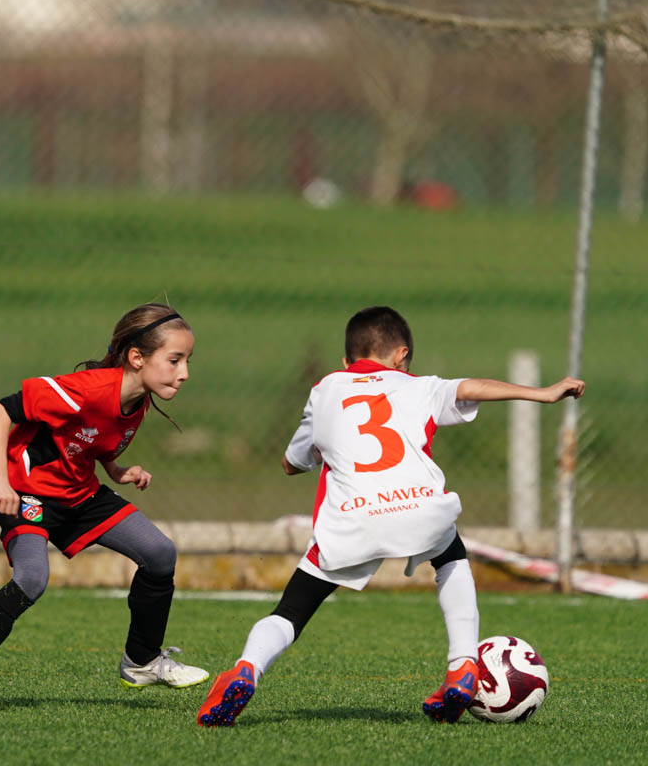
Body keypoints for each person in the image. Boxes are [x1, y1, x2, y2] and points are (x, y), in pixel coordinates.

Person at [197, 305, 584, 727]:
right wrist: (543, 392)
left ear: (347, 361)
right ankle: (461, 666)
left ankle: (246, 669)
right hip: (420, 510)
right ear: (401, 356)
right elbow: (474, 386)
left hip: (352, 521)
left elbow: (291, 462)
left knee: (289, 612)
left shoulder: (326, 389)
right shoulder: (421, 386)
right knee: (451, 556)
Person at [0, 303, 210, 711]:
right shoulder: (85, 389)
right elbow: (0, 411)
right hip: (26, 492)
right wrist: (0, 481)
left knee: (160, 554)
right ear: (137, 357)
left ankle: (142, 660)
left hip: (78, 493)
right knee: (32, 578)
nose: (184, 373)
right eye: (175, 360)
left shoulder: (138, 401)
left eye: (187, 361)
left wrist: (118, 471)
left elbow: (92, 440)